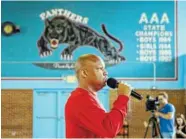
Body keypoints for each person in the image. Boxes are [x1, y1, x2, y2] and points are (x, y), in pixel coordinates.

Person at [65, 54, 131, 138]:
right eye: (100, 68)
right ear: (84, 73)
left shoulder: (88, 97)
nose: (105, 72)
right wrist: (122, 97)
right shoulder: (80, 100)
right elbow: (110, 129)